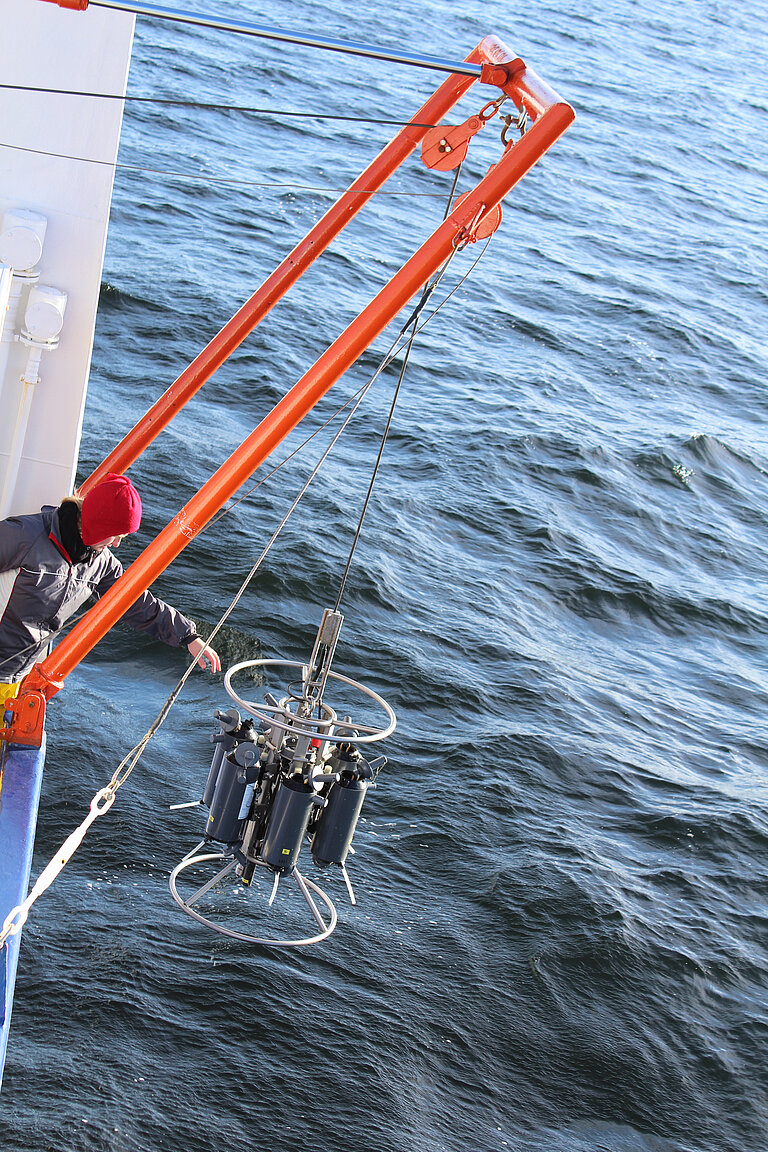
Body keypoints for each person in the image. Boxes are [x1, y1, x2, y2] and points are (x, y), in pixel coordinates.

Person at [0, 472, 220, 699]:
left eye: (122, 538)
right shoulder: (25, 535)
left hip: (15, 675)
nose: (116, 545)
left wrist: (189, 637)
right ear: (98, 525)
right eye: (115, 536)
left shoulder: (101, 563)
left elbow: (134, 602)